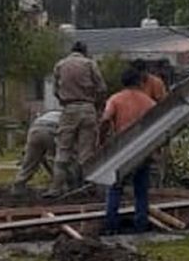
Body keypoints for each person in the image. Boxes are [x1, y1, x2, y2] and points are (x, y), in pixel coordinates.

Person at [101, 67, 157, 234]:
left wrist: (101, 141)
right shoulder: (149, 102)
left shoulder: (116, 99)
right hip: (143, 150)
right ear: (140, 82)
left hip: (122, 150)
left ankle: (111, 226)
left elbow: (105, 119)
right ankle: (141, 224)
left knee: (115, 187)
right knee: (141, 190)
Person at [48, 40, 106, 196]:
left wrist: (64, 100)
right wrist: (97, 104)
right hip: (87, 108)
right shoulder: (89, 64)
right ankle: (86, 187)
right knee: (86, 152)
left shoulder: (60, 65)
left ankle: (56, 187)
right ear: (85, 51)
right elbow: (102, 87)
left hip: (69, 109)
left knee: (63, 149)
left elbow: (55, 90)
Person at [10, 109, 60, 194]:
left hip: (34, 131)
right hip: (52, 130)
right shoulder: (71, 117)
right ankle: (60, 185)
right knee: (60, 160)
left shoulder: (49, 115)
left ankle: (18, 185)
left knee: (30, 162)